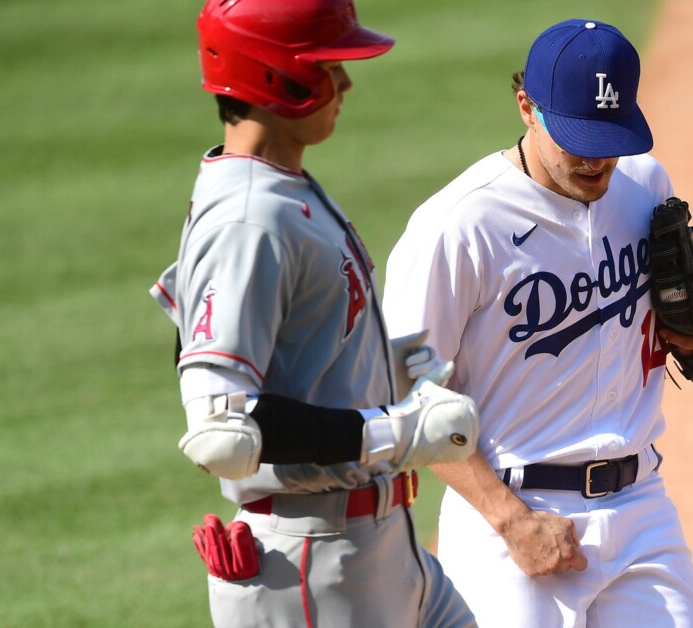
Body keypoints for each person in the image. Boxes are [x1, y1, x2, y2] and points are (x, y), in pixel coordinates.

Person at [382, 19, 693, 628]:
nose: (596, 158)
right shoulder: (459, 226)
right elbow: (401, 392)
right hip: (511, 516)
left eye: (610, 137)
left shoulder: (644, 185)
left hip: (641, 510)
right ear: (526, 106)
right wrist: (510, 519)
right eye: (577, 137)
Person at [149, 1, 479, 626]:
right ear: (276, 75)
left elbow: (297, 356)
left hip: (378, 548)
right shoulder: (249, 219)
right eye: (329, 65)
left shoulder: (281, 187)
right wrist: (397, 430)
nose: (346, 82)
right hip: (312, 568)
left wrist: (391, 370)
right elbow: (222, 428)